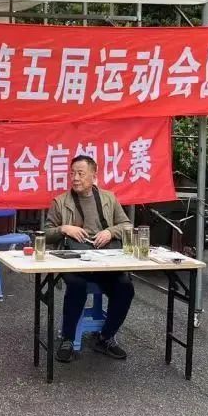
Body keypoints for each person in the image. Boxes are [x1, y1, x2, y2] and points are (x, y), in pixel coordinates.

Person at [43, 155, 135, 364]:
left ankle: (105, 337)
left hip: (105, 261)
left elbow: (127, 225)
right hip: (75, 261)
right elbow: (45, 234)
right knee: (76, 285)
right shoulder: (60, 202)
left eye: (80, 173)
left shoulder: (109, 198)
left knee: (125, 287)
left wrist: (110, 232)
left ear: (94, 175)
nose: (75, 178)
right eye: (72, 173)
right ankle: (68, 339)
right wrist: (64, 228)